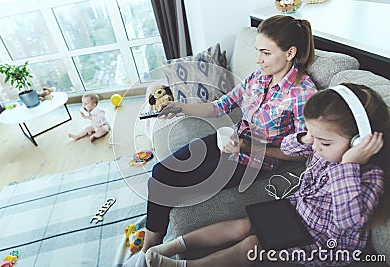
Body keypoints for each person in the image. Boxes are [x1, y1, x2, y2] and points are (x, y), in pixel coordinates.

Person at [123, 15, 316, 267]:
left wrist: (248, 146)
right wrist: (180, 107)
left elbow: (301, 153)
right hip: (230, 140)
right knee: (159, 171)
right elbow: (219, 107)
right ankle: (150, 251)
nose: (258, 59)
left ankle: (148, 254)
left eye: (265, 53)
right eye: (258, 51)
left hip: (255, 160)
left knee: (167, 186)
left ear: (290, 52)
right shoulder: (259, 77)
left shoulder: (304, 95)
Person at [144, 83, 390, 267]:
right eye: (315, 139)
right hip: (297, 214)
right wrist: (308, 136)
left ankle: (187, 265)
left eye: (324, 142)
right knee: (243, 225)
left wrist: (348, 165)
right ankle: (171, 246)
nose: (316, 148)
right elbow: (288, 147)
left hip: (324, 243)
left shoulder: (370, 177)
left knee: (252, 244)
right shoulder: (322, 147)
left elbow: (349, 220)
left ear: (360, 142)